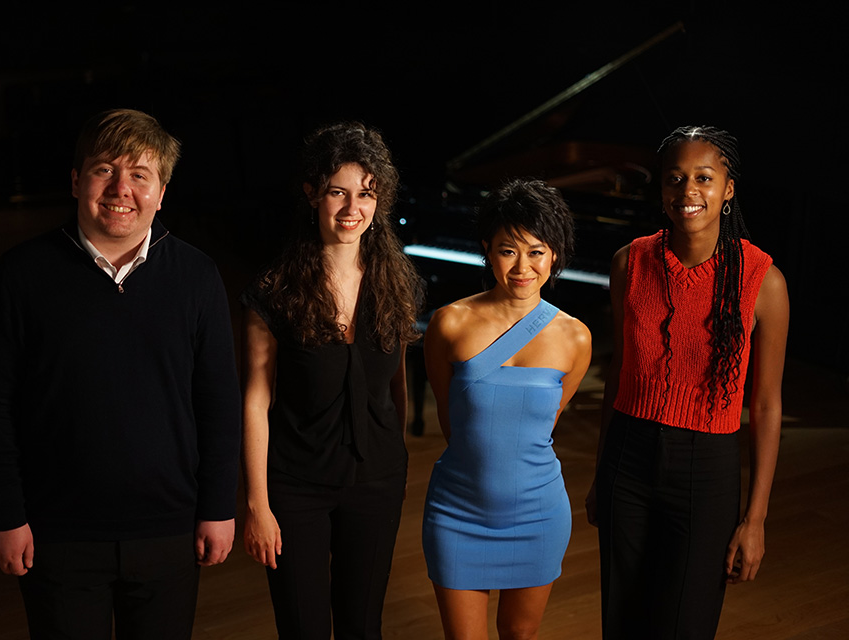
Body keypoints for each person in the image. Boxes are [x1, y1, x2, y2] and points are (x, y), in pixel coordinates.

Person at [0, 108, 242, 640]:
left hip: (170, 530)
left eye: (140, 175)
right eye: (103, 170)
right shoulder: (21, 274)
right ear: (75, 180)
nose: (121, 189)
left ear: (162, 193)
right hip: (56, 533)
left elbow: (218, 402)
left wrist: (217, 507)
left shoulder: (197, 276)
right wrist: (4, 513)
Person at [588, 125, 789, 640]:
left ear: (729, 188)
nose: (687, 191)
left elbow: (765, 406)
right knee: (622, 623)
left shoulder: (763, 280)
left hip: (707, 466)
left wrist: (756, 518)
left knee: (685, 625)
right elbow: (619, 374)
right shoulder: (628, 262)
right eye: (675, 178)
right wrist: (600, 473)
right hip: (626, 459)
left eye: (704, 177)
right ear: (660, 188)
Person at [241, 122, 423, 640]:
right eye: (337, 192)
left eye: (365, 194)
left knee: (363, 626)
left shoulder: (398, 281)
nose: (352, 209)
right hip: (295, 487)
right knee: (302, 628)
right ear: (311, 193)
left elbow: (395, 386)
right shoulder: (274, 291)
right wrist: (258, 504)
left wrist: (397, 461)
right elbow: (255, 402)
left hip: (377, 482)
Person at [422, 179, 592, 640]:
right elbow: (450, 414)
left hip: (539, 514)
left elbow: (543, 427)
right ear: (487, 250)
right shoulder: (449, 323)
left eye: (536, 252)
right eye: (508, 250)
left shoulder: (575, 337)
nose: (523, 267)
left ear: (554, 254)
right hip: (458, 510)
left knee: (520, 635)